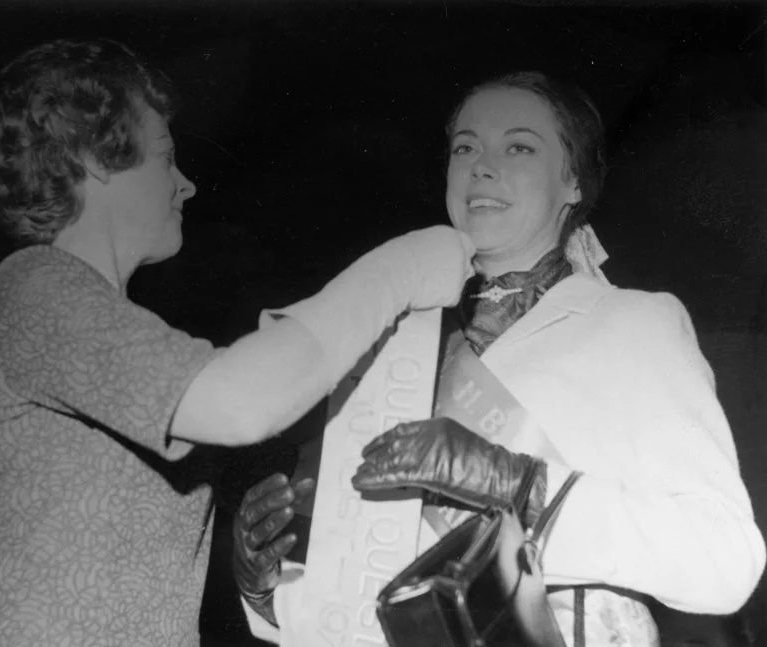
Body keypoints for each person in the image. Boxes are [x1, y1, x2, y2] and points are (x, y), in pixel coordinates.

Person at [0, 38, 476, 647]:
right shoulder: (34, 286)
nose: (185, 184)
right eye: (166, 158)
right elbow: (240, 400)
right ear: (95, 159)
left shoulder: (103, 323)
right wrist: (401, 270)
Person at [235, 71, 766, 646]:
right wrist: (266, 590)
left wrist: (515, 485)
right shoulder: (391, 341)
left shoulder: (634, 323)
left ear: (574, 183)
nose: (480, 166)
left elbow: (724, 561)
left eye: (519, 146)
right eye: (465, 147)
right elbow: (363, 589)